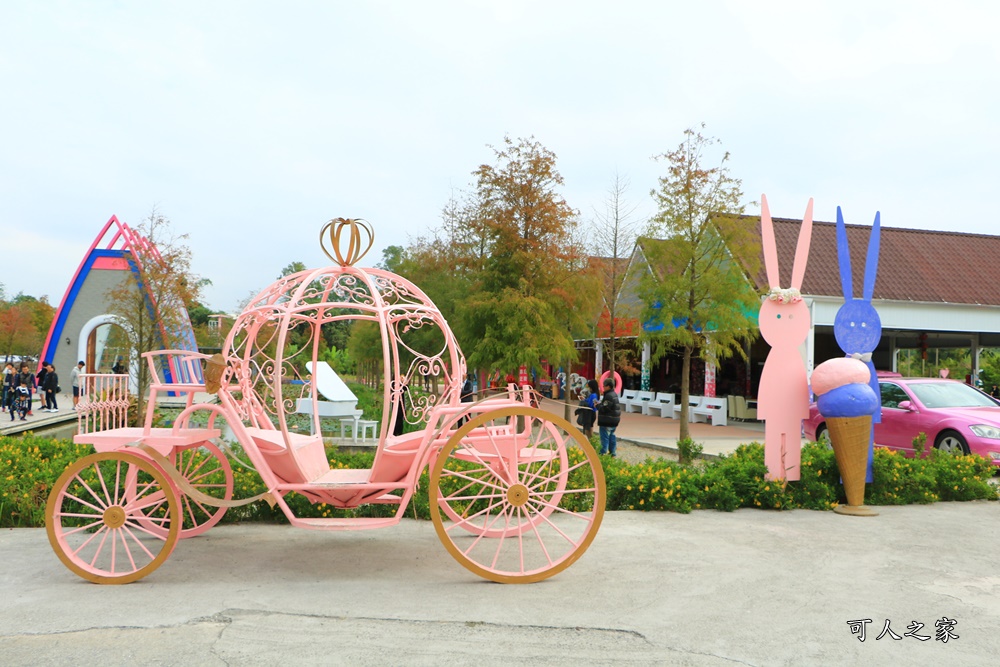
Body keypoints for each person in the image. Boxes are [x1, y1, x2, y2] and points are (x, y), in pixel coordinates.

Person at [596, 377, 621, 457]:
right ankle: (612, 453)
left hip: (607, 420)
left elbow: (605, 408)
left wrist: (598, 406)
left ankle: (603, 453)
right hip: (614, 419)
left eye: (604, 386)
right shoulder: (614, 394)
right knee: (611, 436)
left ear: (608, 386)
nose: (603, 387)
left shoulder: (609, 396)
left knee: (605, 437)